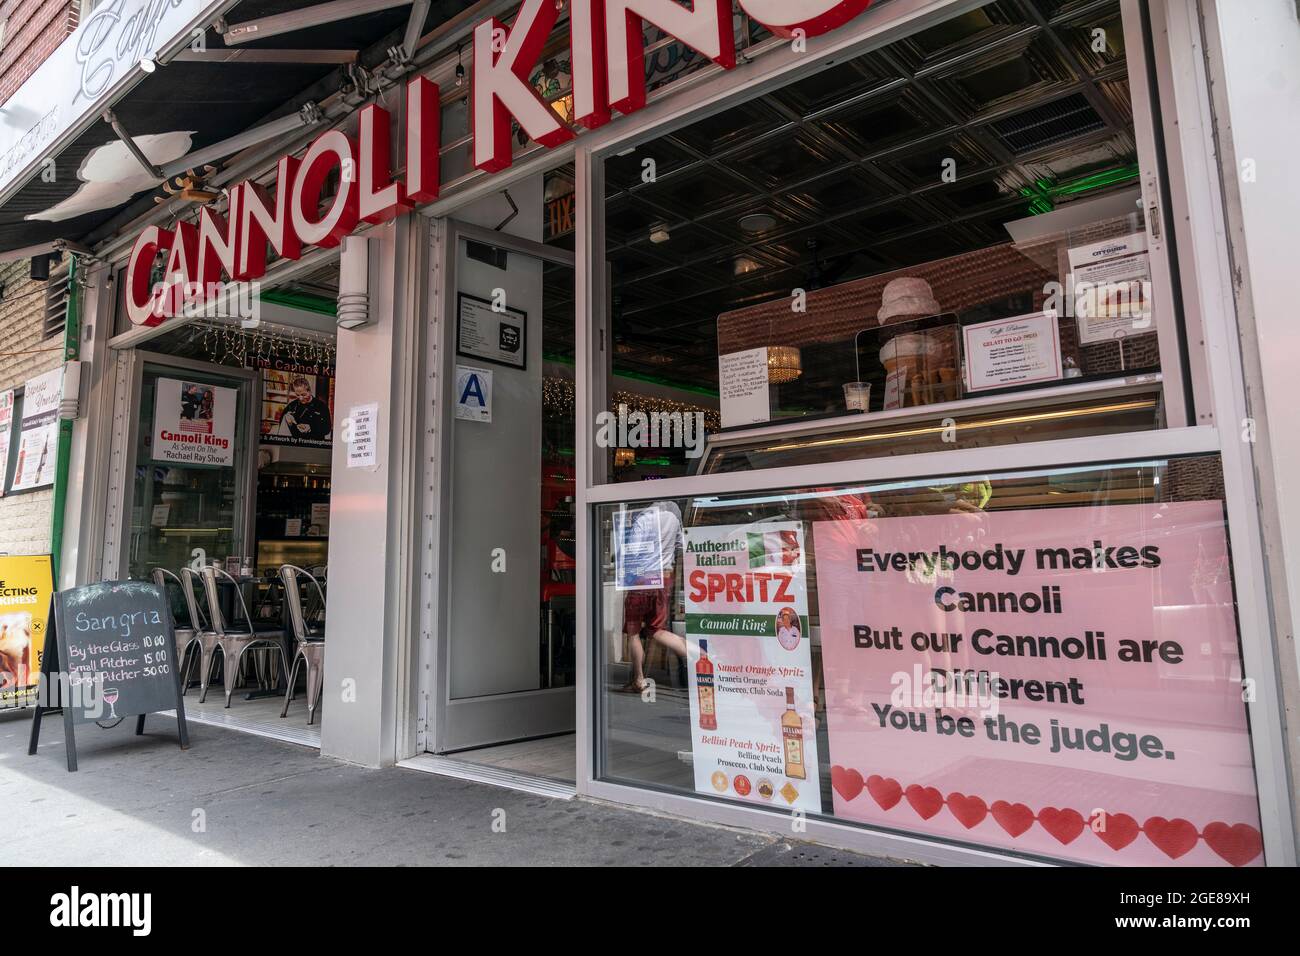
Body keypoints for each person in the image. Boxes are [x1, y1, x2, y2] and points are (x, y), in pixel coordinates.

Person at [619, 501, 685, 693]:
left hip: (642, 579)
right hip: (664, 578)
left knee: (633, 632)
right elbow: (681, 544)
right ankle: (697, 659)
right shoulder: (674, 514)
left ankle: (639, 679)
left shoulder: (644, 518)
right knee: (656, 629)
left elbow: (634, 551)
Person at [279, 377, 332, 442]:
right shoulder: (291, 406)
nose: (301, 398)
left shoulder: (321, 406)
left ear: (309, 391)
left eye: (303, 395)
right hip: (295, 444)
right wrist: (286, 418)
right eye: (297, 395)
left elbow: (327, 428)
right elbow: (282, 423)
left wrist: (310, 427)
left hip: (315, 444)